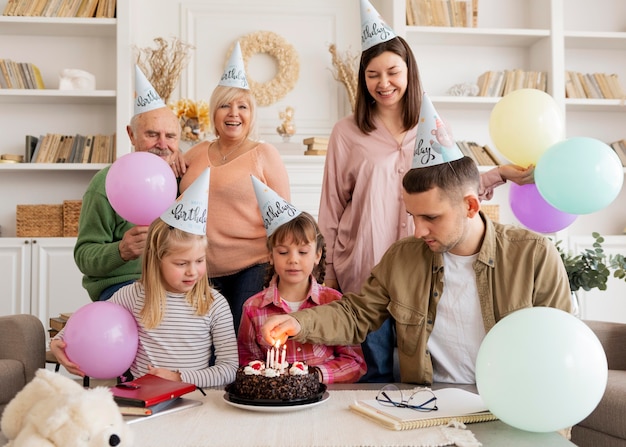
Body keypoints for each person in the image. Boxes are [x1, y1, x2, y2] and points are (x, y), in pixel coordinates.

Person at [261, 100, 571, 385]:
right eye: (413, 216)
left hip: (512, 403)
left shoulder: (533, 255)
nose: (418, 230)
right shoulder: (403, 257)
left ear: (471, 206)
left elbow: (561, 349)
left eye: (431, 218)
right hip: (427, 407)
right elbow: (356, 314)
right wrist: (297, 323)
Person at [318, 0, 535, 382]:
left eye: (392, 72)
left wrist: (499, 173)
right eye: (372, 75)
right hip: (363, 268)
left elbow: (454, 190)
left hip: (419, 273)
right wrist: (330, 274)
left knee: (414, 375)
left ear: (408, 71)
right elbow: (331, 207)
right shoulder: (346, 132)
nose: (383, 83)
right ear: (362, 80)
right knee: (372, 373)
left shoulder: (433, 126)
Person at [52, 169, 238, 388]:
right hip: (144, 399)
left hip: (195, 398)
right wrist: (58, 341)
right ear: (157, 260)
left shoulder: (215, 304)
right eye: (181, 263)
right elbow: (93, 320)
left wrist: (180, 378)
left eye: (199, 261)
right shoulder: (133, 295)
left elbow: (229, 368)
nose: (192, 271)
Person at [180, 42, 290, 333]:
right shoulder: (194, 152)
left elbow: (284, 220)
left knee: (240, 341)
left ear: (251, 114)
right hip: (200, 267)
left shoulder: (265, 155)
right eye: (225, 105)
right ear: (214, 113)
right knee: (205, 347)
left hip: (252, 266)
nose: (234, 113)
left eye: (242, 106)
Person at [237, 178, 366, 383]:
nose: (293, 260)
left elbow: (355, 363)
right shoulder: (253, 308)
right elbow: (247, 363)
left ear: (317, 255)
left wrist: (314, 376)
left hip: (323, 403)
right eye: (283, 252)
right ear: (270, 256)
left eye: (303, 251)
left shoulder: (333, 303)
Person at [74, 65, 186, 302]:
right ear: (131, 135)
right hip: (124, 286)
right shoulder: (106, 183)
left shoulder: (187, 179)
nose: (163, 144)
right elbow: (84, 256)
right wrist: (120, 251)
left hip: (178, 286)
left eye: (171, 136)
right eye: (152, 134)